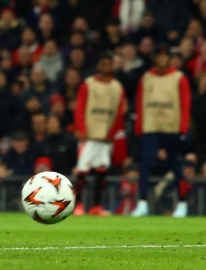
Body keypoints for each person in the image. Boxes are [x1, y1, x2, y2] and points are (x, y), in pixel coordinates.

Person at [132, 45, 191, 217]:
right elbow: (140, 103)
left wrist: (183, 128)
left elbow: (185, 105)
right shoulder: (147, 78)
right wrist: (139, 129)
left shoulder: (179, 78)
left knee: (176, 165)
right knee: (145, 165)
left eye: (166, 56)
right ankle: (142, 202)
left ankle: (182, 203)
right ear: (155, 58)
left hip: (171, 127)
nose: (163, 59)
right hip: (150, 127)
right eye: (160, 55)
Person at [72, 51, 126, 216]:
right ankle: (78, 204)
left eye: (108, 64)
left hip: (105, 136)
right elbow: (80, 107)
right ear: (97, 66)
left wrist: (113, 132)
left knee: (101, 171)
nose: (106, 67)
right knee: (83, 170)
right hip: (89, 135)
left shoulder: (117, 87)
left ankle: (96, 205)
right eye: (102, 64)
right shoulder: (88, 84)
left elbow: (119, 112)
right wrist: (81, 129)